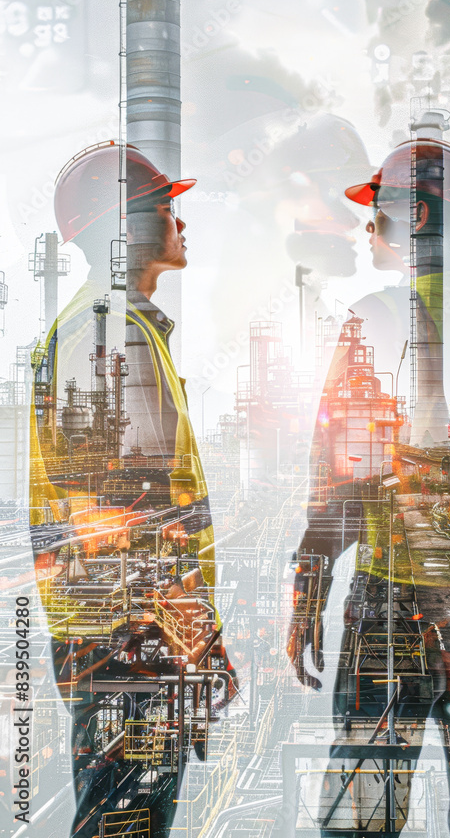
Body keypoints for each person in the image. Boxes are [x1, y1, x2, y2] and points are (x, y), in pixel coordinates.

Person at [288, 120, 450, 836]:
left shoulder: (368, 322)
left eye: (378, 210)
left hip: (389, 605)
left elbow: (336, 480)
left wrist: (307, 591)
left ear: (414, 215)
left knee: (363, 810)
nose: (368, 226)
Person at [30, 141, 234, 838]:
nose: (182, 222)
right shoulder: (113, 331)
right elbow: (134, 515)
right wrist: (197, 643)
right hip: (130, 637)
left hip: (123, 632)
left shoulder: (114, 324)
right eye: (165, 207)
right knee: (128, 818)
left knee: (123, 813)